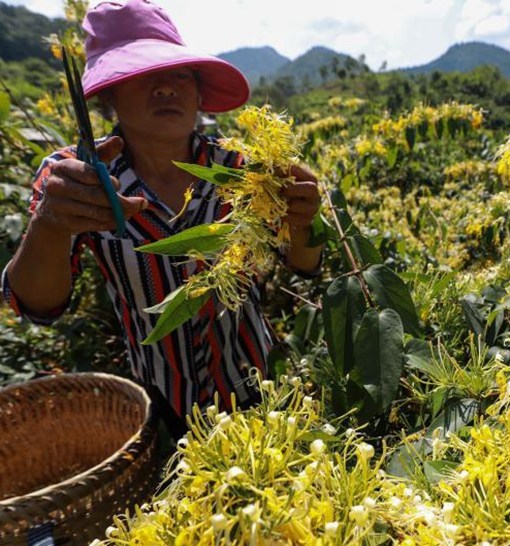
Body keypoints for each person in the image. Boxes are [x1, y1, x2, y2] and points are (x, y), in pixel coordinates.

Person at [1, 0, 323, 439]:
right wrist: (51, 225)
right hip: (161, 407)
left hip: (259, 388)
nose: (166, 88)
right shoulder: (74, 177)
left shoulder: (245, 170)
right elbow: (37, 306)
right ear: (107, 95)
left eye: (178, 73)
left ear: (198, 90)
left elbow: (303, 264)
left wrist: (305, 220)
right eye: (142, 75)